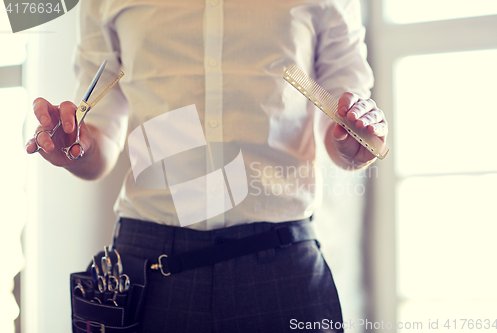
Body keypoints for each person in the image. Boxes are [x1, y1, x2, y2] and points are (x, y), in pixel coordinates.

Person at [26, 0, 387, 332]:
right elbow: (100, 136)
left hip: (281, 263)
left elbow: (344, 114)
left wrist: (356, 140)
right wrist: (77, 147)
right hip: (150, 266)